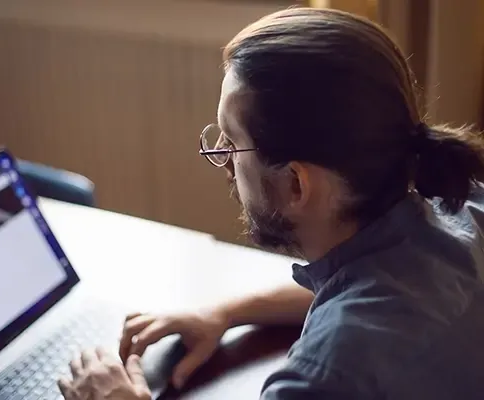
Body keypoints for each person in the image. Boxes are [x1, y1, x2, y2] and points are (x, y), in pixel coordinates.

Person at [58, 7, 484, 400]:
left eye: (232, 140)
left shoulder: (323, 376)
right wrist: (225, 312)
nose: (222, 159)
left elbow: (357, 328)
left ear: (297, 184)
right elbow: (367, 294)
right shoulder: (462, 209)